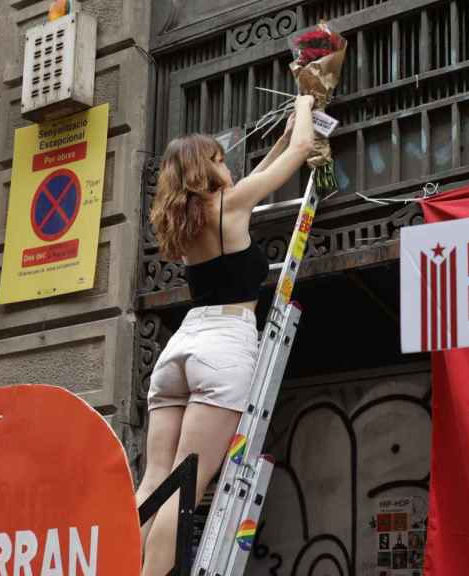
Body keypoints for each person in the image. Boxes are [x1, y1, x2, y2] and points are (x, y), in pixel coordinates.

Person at [137, 95, 315, 575]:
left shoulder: (188, 221)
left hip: (182, 345)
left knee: (155, 479)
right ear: (205, 168)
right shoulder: (229, 207)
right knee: (185, 489)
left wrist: (276, 143)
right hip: (225, 344)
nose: (227, 166)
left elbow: (275, 161)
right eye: (219, 158)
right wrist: (304, 104)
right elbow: (302, 150)